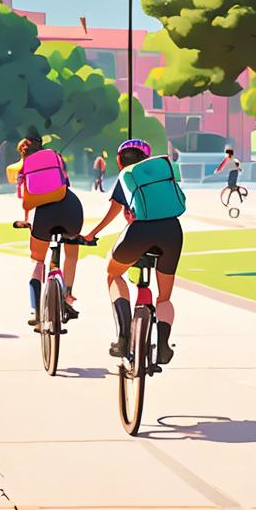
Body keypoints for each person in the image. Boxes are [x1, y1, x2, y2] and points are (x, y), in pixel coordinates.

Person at [83, 139, 184, 362]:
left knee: (113, 273)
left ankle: (123, 337)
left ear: (119, 160)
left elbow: (114, 210)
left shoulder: (126, 175)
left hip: (139, 233)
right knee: (164, 298)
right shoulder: (161, 175)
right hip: (172, 231)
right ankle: (164, 346)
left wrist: (92, 233)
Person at [15, 135, 84, 327]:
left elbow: (25, 199)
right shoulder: (55, 157)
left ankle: (35, 309)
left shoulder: (24, 168)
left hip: (44, 214)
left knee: (38, 260)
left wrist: (26, 221)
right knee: (71, 252)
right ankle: (67, 293)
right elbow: (65, 180)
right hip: (71, 207)